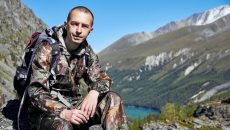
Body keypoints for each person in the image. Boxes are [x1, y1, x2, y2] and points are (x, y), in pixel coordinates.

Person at [27, 6, 128, 130]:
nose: (79, 30)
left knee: (113, 98)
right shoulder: (47, 48)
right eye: (75, 24)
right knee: (63, 126)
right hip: (46, 112)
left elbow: (104, 79)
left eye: (84, 26)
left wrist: (94, 91)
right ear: (66, 25)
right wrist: (63, 112)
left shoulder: (87, 53)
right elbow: (35, 91)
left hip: (73, 105)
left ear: (90, 30)